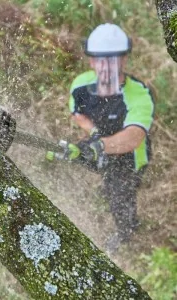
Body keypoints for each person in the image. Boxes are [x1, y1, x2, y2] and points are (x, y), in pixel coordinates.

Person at [47, 23, 155, 253]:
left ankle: (126, 232)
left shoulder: (139, 94)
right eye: (101, 60)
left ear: (124, 60)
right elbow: (78, 114)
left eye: (113, 60)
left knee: (120, 195)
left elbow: (134, 136)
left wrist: (100, 145)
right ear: (91, 61)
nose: (107, 67)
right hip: (101, 142)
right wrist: (93, 133)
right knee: (70, 153)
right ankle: (103, 178)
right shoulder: (81, 86)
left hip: (130, 157)